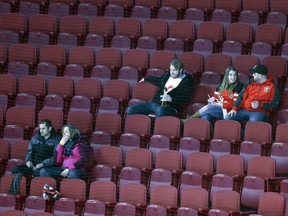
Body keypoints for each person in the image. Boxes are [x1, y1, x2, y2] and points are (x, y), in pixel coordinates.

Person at [126, 59, 194, 117]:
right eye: (171, 69)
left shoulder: (187, 81)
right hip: (155, 103)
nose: (172, 72)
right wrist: (146, 78)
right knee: (131, 109)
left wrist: (171, 99)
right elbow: (159, 80)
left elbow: (186, 97)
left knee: (160, 110)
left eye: (175, 70)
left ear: (181, 70)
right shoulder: (167, 75)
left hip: (171, 106)